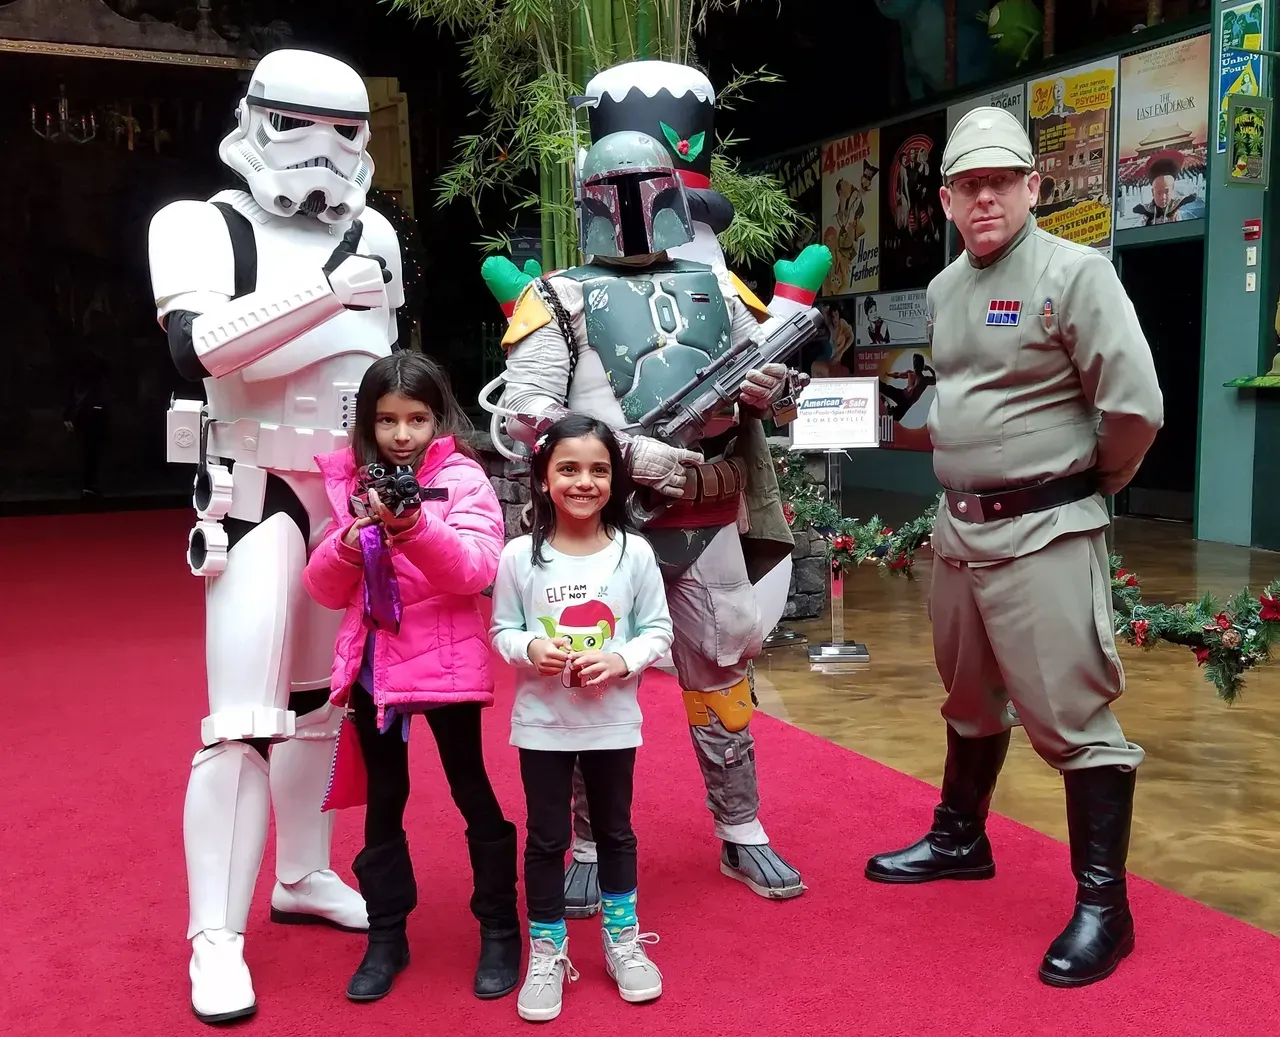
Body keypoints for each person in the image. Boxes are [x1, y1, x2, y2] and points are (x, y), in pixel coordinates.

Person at [864, 106, 1164, 988]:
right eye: (968, 185)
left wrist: (1091, 483)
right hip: (961, 528)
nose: (985, 198)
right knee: (967, 695)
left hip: (1046, 531)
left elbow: (1136, 407)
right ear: (946, 199)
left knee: (1073, 717)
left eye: (1001, 181)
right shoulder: (948, 286)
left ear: (1033, 186)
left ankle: (1106, 906)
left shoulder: (1077, 273)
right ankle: (961, 837)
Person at [482, 126, 814, 909]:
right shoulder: (556, 296)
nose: (632, 208)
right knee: (590, 670)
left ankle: (741, 828)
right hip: (603, 520)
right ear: (592, 201)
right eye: (616, 192)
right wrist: (628, 454)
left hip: (707, 510)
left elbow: (769, 380)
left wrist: (776, 391)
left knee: (724, 668)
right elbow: (526, 412)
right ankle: (590, 842)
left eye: (646, 189)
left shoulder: (719, 287)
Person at [146, 49, 403, 1022]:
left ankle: (301, 872)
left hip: (346, 489)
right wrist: (331, 289)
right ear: (257, 119)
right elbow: (198, 348)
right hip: (253, 490)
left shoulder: (375, 229)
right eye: (300, 124)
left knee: (322, 702)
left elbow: (387, 373)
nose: (325, 149)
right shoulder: (200, 223)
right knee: (242, 717)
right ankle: (214, 934)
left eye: (347, 132)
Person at [302, 352, 520, 1003]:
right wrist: (351, 540)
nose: (402, 434)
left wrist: (414, 526)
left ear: (438, 417)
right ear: (368, 422)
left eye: (417, 419)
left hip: (446, 660)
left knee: (471, 788)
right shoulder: (348, 478)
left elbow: (476, 569)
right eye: (388, 420)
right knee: (385, 799)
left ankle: (500, 927)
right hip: (374, 664)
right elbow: (321, 588)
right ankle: (386, 933)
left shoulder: (462, 477)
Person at [489, 414, 674, 1022]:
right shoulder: (520, 557)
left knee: (615, 832)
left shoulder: (634, 553)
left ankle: (623, 940)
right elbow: (502, 630)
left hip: (612, 723)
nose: (584, 482)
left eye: (599, 470)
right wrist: (529, 648)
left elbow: (658, 631)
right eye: (568, 469)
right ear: (543, 478)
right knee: (546, 838)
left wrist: (621, 659)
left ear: (615, 480)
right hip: (541, 724)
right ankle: (547, 950)